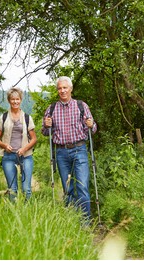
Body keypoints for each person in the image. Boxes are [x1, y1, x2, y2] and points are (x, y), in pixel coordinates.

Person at [42, 76, 97, 222]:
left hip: (79, 150)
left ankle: (85, 222)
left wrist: (92, 124)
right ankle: (71, 220)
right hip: (61, 152)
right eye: (60, 88)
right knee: (68, 189)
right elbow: (45, 133)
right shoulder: (51, 109)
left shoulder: (81, 106)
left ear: (70, 89)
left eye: (65, 87)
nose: (62, 91)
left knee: (82, 186)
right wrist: (47, 125)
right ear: (57, 90)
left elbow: (93, 129)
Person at [0, 87, 37, 202]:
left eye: (17, 99)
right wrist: (4, 146)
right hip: (8, 157)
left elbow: (33, 139)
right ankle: (14, 213)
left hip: (26, 156)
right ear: (9, 100)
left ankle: (28, 212)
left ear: (20, 100)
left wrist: (24, 149)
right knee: (12, 189)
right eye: (12, 99)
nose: (15, 102)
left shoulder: (27, 118)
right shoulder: (3, 118)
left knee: (26, 188)